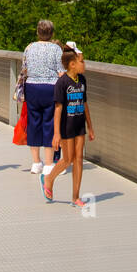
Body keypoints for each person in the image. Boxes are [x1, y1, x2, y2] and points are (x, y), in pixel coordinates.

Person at [42, 47, 95, 207]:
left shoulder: (82, 80)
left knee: (79, 159)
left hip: (79, 125)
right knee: (68, 159)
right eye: (82, 61)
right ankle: (49, 179)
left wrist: (90, 127)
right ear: (72, 64)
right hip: (66, 126)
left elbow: (84, 104)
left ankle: (75, 197)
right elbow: (58, 109)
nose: (84, 64)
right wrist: (56, 134)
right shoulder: (62, 83)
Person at [22, 20, 62, 181]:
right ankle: (48, 163)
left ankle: (35, 162)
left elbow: (24, 67)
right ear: (52, 33)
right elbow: (60, 71)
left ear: (38, 32)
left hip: (31, 87)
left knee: (34, 122)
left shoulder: (29, 48)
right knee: (49, 123)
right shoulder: (56, 49)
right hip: (50, 88)